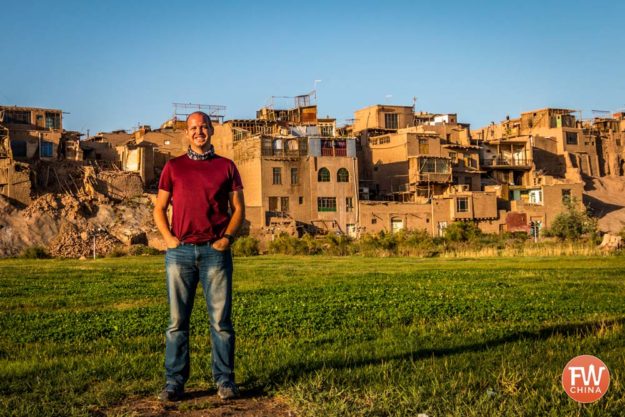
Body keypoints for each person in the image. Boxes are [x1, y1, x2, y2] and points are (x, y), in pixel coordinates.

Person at [153, 111, 245, 401]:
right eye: (193, 128)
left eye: (203, 127)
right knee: (177, 323)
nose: (198, 132)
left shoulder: (227, 167)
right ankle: (174, 383)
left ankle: (225, 381)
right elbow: (159, 208)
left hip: (214, 253)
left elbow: (238, 208)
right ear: (187, 133)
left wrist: (227, 239)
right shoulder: (173, 167)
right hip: (180, 254)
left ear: (211, 130)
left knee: (221, 322)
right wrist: (169, 239)